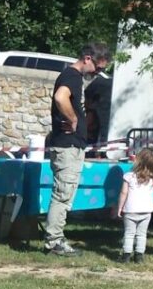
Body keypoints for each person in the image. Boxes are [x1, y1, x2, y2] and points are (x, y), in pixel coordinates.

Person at [44, 42, 112, 257]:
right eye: (98, 68)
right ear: (88, 58)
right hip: (67, 146)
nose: (98, 73)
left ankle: (56, 237)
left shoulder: (72, 77)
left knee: (65, 193)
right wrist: (72, 118)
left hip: (70, 145)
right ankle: (54, 241)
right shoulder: (71, 76)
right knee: (63, 194)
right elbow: (60, 98)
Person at [115, 148, 153, 263]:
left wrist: (120, 207)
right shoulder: (151, 178)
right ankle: (139, 256)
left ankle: (126, 256)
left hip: (131, 210)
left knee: (129, 233)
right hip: (147, 211)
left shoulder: (129, 176)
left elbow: (124, 193)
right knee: (142, 234)